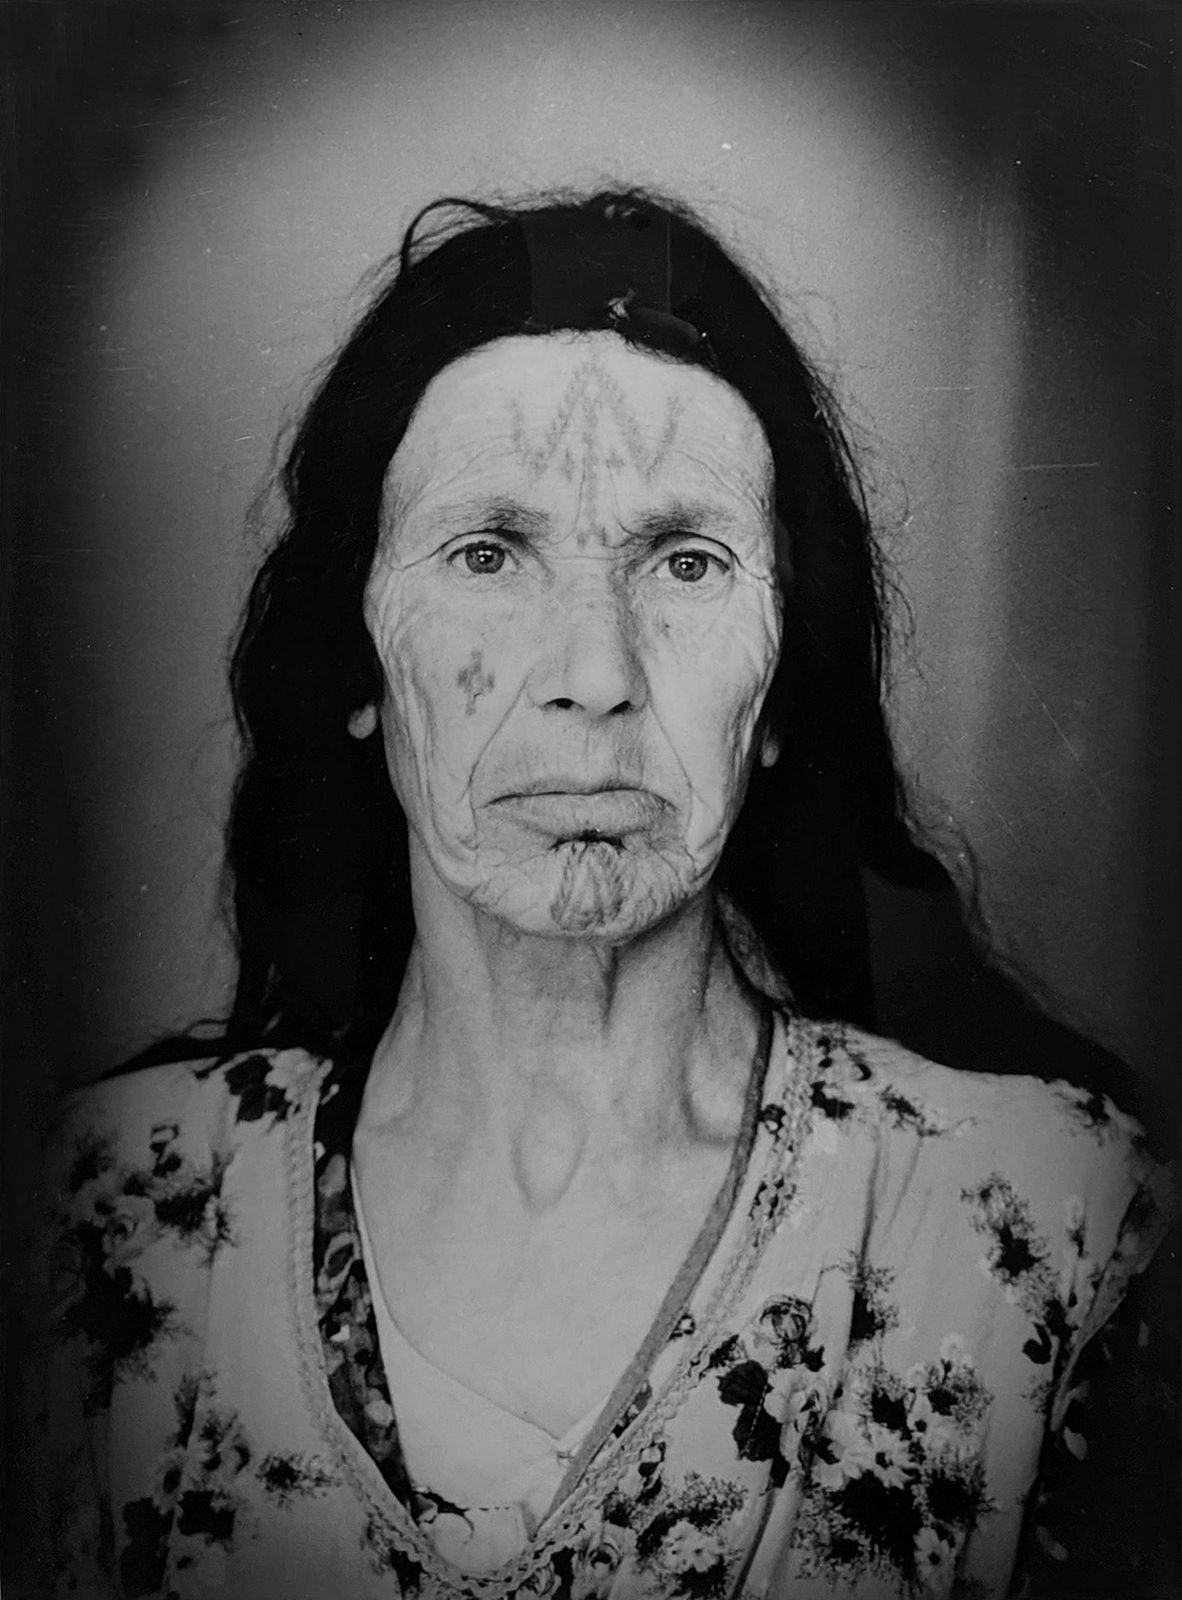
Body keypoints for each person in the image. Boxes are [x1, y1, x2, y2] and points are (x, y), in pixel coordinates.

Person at [31, 189, 1174, 1600]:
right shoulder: (99, 1217)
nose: (595, 670)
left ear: (776, 692)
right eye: (488, 554)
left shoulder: (1055, 1231)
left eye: (683, 563)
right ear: (357, 663)